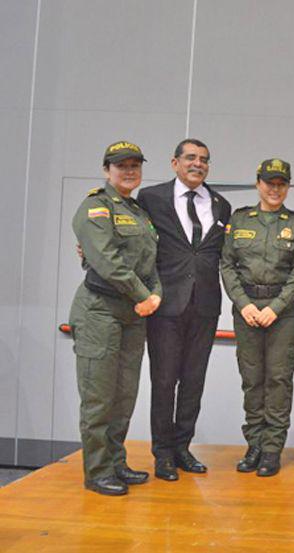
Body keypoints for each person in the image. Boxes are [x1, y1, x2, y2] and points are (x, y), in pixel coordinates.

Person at [70, 141, 161, 495]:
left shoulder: (139, 213)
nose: (128, 171)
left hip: (133, 315)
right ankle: (97, 471)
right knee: (98, 397)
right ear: (107, 170)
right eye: (121, 165)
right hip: (99, 312)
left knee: (124, 396)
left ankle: (116, 462)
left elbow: (152, 263)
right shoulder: (95, 207)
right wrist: (145, 296)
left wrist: (155, 296)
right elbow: (107, 261)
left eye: (135, 165)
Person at [137, 139, 231, 481]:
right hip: (165, 304)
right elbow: (134, 239)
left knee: (193, 381)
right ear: (174, 163)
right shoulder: (151, 199)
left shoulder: (221, 204)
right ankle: (161, 453)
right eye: (190, 158)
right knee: (163, 381)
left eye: (204, 160)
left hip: (205, 304)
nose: (198, 164)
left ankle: (182, 447)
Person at [220, 159, 294, 477]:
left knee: (279, 380)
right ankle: (254, 444)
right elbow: (227, 265)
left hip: (282, 311)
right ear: (258, 183)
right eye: (269, 182)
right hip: (246, 308)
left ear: (287, 187)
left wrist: (277, 306)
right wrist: (243, 304)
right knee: (252, 379)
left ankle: (272, 449)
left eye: (281, 183)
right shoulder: (240, 219)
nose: (275, 189)